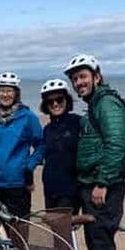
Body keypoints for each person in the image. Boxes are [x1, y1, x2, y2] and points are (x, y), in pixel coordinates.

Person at [65, 54, 125, 250]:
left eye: (83, 76)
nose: (79, 82)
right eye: (75, 78)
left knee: (102, 245)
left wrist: (102, 182)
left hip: (104, 188)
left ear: (96, 77)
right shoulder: (95, 104)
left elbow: (116, 144)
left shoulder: (106, 103)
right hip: (92, 185)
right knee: (96, 244)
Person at [0, 72, 43, 218]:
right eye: (2, 90)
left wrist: (29, 166)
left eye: (9, 91)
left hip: (17, 185)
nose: (5, 95)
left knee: (17, 231)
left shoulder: (27, 117)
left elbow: (41, 145)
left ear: (16, 93)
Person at [38, 78, 80, 213]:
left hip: (70, 191)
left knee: (64, 230)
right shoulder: (47, 129)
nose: (55, 104)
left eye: (59, 99)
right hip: (50, 189)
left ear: (67, 100)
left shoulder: (78, 123)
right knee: (55, 231)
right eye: (50, 101)